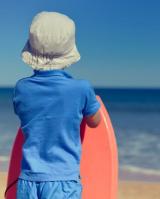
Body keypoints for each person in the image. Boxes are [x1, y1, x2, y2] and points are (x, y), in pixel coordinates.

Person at [13, 11, 101, 198]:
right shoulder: (81, 88)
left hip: (27, 181)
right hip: (63, 181)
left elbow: (27, 117)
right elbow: (95, 122)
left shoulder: (21, 88)